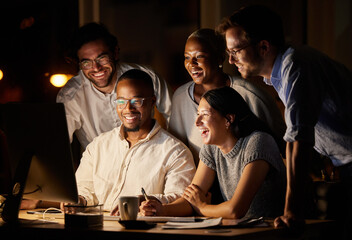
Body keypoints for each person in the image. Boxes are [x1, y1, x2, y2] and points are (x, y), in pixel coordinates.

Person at [217, 5, 352, 235]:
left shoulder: (296, 66)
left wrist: (291, 211)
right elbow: (293, 140)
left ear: (263, 46)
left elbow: (299, 140)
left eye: (236, 51)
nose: (230, 60)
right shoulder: (280, 76)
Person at [140, 87, 286, 219]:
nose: (197, 122)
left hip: (273, 230)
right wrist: (161, 210)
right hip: (240, 230)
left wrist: (203, 207)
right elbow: (191, 201)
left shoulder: (258, 142)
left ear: (228, 119)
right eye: (197, 114)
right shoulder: (212, 148)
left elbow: (235, 210)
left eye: (204, 114)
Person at [69, 69, 195, 214]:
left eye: (136, 101)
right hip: (98, 228)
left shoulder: (175, 152)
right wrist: (79, 200)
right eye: (121, 101)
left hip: (141, 231)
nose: (128, 109)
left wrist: (147, 201)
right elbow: (83, 189)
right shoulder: (98, 145)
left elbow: (179, 199)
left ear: (152, 102)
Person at [168, 28, 286, 165]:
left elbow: (281, 150)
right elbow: (177, 154)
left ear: (220, 58)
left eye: (199, 56)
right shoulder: (180, 98)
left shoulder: (251, 96)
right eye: (187, 57)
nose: (191, 64)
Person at [57, 22, 172, 150]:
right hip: (101, 167)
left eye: (102, 58)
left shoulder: (147, 77)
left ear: (115, 53)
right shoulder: (70, 97)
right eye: (86, 63)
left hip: (151, 158)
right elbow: (58, 145)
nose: (96, 68)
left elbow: (174, 120)